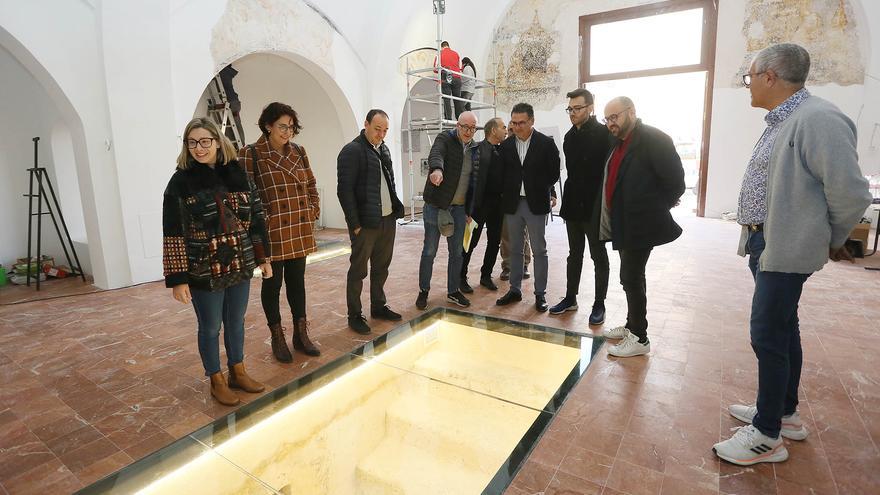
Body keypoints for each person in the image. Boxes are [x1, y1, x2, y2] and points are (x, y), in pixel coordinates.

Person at [713, 43, 871, 466]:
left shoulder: (818, 118)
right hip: (768, 242)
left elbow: (852, 193)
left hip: (785, 246)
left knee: (766, 332)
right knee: (783, 328)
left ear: (769, 77)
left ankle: (766, 436)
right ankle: (783, 414)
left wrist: (826, 238)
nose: (747, 86)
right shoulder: (784, 119)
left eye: (749, 78)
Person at [163, 117, 269, 406]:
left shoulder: (237, 174)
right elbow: (173, 232)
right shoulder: (180, 182)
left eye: (205, 141)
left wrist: (263, 257)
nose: (199, 148)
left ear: (218, 141)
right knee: (210, 327)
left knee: (236, 321)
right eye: (192, 142)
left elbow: (256, 217)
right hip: (203, 268)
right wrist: (178, 279)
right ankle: (216, 379)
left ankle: (238, 370)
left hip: (240, 262)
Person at [599, 97, 685, 358]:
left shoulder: (654, 139)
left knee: (630, 276)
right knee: (632, 277)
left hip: (641, 223)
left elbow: (676, 182)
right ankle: (631, 326)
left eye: (615, 117)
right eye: (607, 119)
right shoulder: (618, 143)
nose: (611, 123)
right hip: (624, 221)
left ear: (631, 112)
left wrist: (655, 207)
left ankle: (640, 338)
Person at [238, 102, 320, 364]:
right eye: (282, 126)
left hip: (298, 227)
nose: (287, 132)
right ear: (268, 125)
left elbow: (310, 184)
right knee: (272, 286)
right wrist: (263, 220)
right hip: (271, 232)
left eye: (291, 127)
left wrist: (312, 209)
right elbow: (244, 197)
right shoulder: (250, 154)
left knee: (298, 283)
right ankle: (277, 336)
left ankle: (300, 334)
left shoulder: (299, 151)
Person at [337, 109, 406, 335]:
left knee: (381, 267)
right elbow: (344, 191)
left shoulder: (383, 149)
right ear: (366, 124)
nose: (381, 134)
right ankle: (354, 315)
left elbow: (389, 183)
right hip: (365, 224)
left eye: (385, 130)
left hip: (386, 220)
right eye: (377, 129)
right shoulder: (352, 151)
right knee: (358, 270)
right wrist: (354, 224)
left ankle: (378, 306)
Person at [549, 88, 612, 326]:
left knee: (598, 256)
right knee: (574, 254)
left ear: (590, 108)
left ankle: (599, 303)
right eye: (570, 109)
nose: (572, 113)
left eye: (577, 108)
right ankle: (570, 297)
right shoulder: (568, 137)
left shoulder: (605, 134)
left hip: (595, 207)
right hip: (574, 205)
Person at [496, 103, 560, 312]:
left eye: (521, 123)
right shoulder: (505, 146)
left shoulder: (545, 144)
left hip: (535, 204)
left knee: (539, 250)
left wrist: (540, 187)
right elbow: (501, 174)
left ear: (532, 121)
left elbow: (553, 173)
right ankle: (514, 289)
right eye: (514, 123)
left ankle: (540, 294)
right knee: (515, 248)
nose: (517, 127)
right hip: (513, 204)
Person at [416, 111, 480, 310]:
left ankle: (453, 291)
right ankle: (423, 291)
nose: (468, 132)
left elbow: (473, 182)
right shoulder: (445, 138)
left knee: (457, 253)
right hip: (436, 206)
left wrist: (469, 210)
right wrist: (437, 169)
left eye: (472, 128)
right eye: (464, 127)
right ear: (457, 125)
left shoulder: (475, 149)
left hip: (459, 210)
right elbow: (437, 153)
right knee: (429, 251)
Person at [460, 117, 506, 292]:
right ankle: (460, 276)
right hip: (478, 205)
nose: (506, 130)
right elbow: (467, 180)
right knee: (469, 242)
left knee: (494, 241)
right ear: (493, 130)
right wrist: (466, 209)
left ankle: (486, 275)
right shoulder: (476, 149)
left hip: (498, 204)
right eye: (503, 127)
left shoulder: (504, 150)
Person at [434, 41, 462, 121]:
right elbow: (459, 67)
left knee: (447, 99)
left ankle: (448, 119)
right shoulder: (456, 54)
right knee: (457, 99)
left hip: (447, 75)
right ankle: (459, 119)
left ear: (442, 47)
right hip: (457, 77)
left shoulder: (439, 54)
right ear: (448, 46)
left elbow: (435, 68)